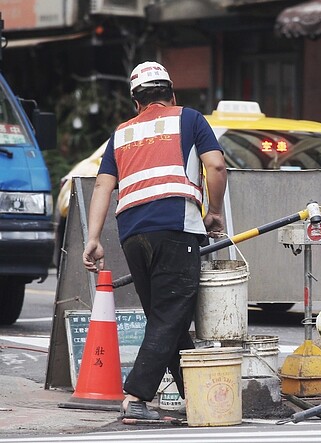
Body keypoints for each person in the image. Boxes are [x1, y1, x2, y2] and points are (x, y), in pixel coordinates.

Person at [82, 61, 227, 420]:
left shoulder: (122, 133)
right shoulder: (190, 119)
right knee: (170, 315)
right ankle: (136, 397)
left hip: (131, 233)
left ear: (136, 102)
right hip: (175, 228)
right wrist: (214, 212)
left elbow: (102, 185)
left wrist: (93, 238)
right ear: (171, 93)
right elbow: (217, 167)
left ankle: (194, 397)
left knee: (166, 318)